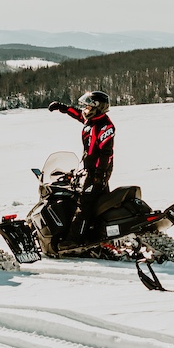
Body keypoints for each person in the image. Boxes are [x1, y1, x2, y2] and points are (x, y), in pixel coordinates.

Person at [46, 90, 114, 242]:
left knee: (85, 204)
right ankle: (99, 234)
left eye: (89, 107)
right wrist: (62, 107)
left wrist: (99, 175)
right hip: (91, 169)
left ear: (98, 108)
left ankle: (74, 240)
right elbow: (78, 114)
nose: (86, 110)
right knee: (99, 202)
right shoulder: (91, 121)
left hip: (98, 170)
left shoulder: (104, 126)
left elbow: (106, 154)